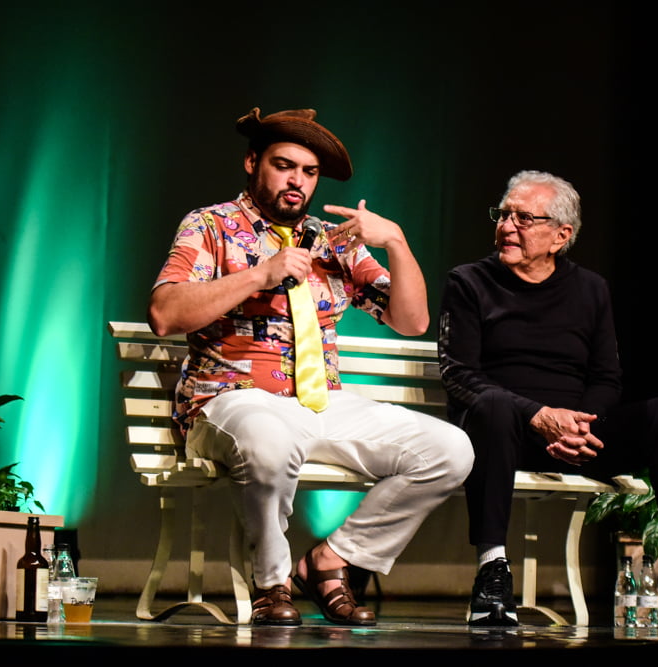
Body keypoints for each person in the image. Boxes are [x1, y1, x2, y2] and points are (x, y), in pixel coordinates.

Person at [147, 107, 473, 627]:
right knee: (269, 439)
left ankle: (330, 560)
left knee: (450, 450)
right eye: (284, 166)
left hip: (319, 402)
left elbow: (412, 321)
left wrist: (395, 241)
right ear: (253, 163)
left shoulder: (330, 241)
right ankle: (271, 585)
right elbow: (165, 314)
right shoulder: (210, 225)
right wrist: (260, 275)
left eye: (309, 172)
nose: (297, 181)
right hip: (229, 399)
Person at [437, 170, 658, 630]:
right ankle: (492, 571)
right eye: (503, 215)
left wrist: (578, 426)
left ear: (561, 236)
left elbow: (606, 377)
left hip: (579, 438)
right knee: (495, 407)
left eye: (523, 218)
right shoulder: (469, 282)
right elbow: (459, 374)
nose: (506, 226)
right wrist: (538, 415)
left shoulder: (590, 288)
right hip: (503, 435)